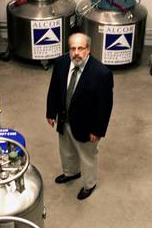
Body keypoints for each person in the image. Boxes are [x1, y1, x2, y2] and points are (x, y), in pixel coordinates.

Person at [46, 32, 114, 200]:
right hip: (64, 119)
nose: (76, 53)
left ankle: (89, 184)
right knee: (66, 150)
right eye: (73, 48)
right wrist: (50, 112)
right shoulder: (61, 64)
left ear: (88, 50)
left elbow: (105, 106)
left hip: (86, 126)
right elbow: (54, 89)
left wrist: (97, 130)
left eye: (80, 48)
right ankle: (71, 173)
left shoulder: (102, 74)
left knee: (88, 157)